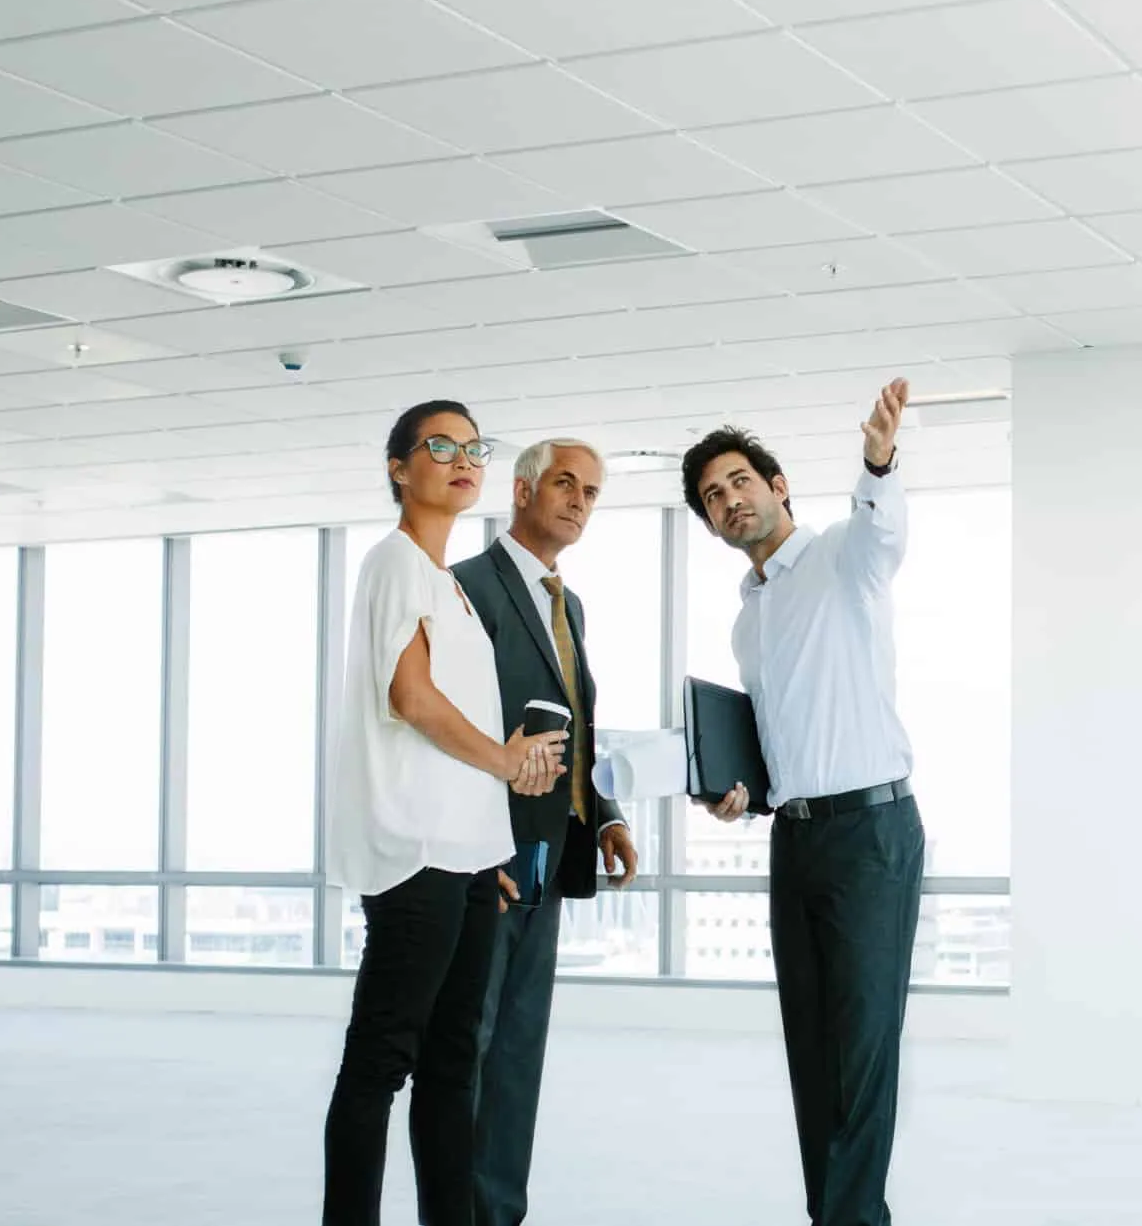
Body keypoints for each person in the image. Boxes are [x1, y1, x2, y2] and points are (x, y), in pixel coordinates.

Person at [683, 379, 924, 1226]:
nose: (729, 499)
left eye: (739, 480)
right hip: (797, 838)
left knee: (861, 1053)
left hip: (870, 831)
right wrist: (742, 791)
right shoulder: (749, 619)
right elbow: (779, 749)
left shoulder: (840, 558)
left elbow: (883, 528)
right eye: (713, 496)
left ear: (777, 486)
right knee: (813, 1051)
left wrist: (878, 459)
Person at [322, 400, 566, 1226]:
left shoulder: (449, 589)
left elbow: (447, 714)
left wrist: (491, 844)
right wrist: (504, 758)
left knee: (454, 1065)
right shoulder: (393, 561)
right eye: (440, 446)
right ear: (399, 466)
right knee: (381, 1063)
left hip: (465, 858)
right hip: (415, 854)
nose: (463, 459)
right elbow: (411, 697)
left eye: (474, 448)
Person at [449, 438, 641, 1226]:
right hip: (489, 856)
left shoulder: (570, 602)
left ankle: (498, 1212)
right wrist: (474, 843)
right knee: (472, 1042)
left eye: (591, 492)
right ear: (522, 489)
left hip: (549, 853)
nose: (579, 501)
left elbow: (577, 723)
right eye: (566, 484)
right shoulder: (467, 589)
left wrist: (606, 815)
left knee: (519, 1049)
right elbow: (451, 727)